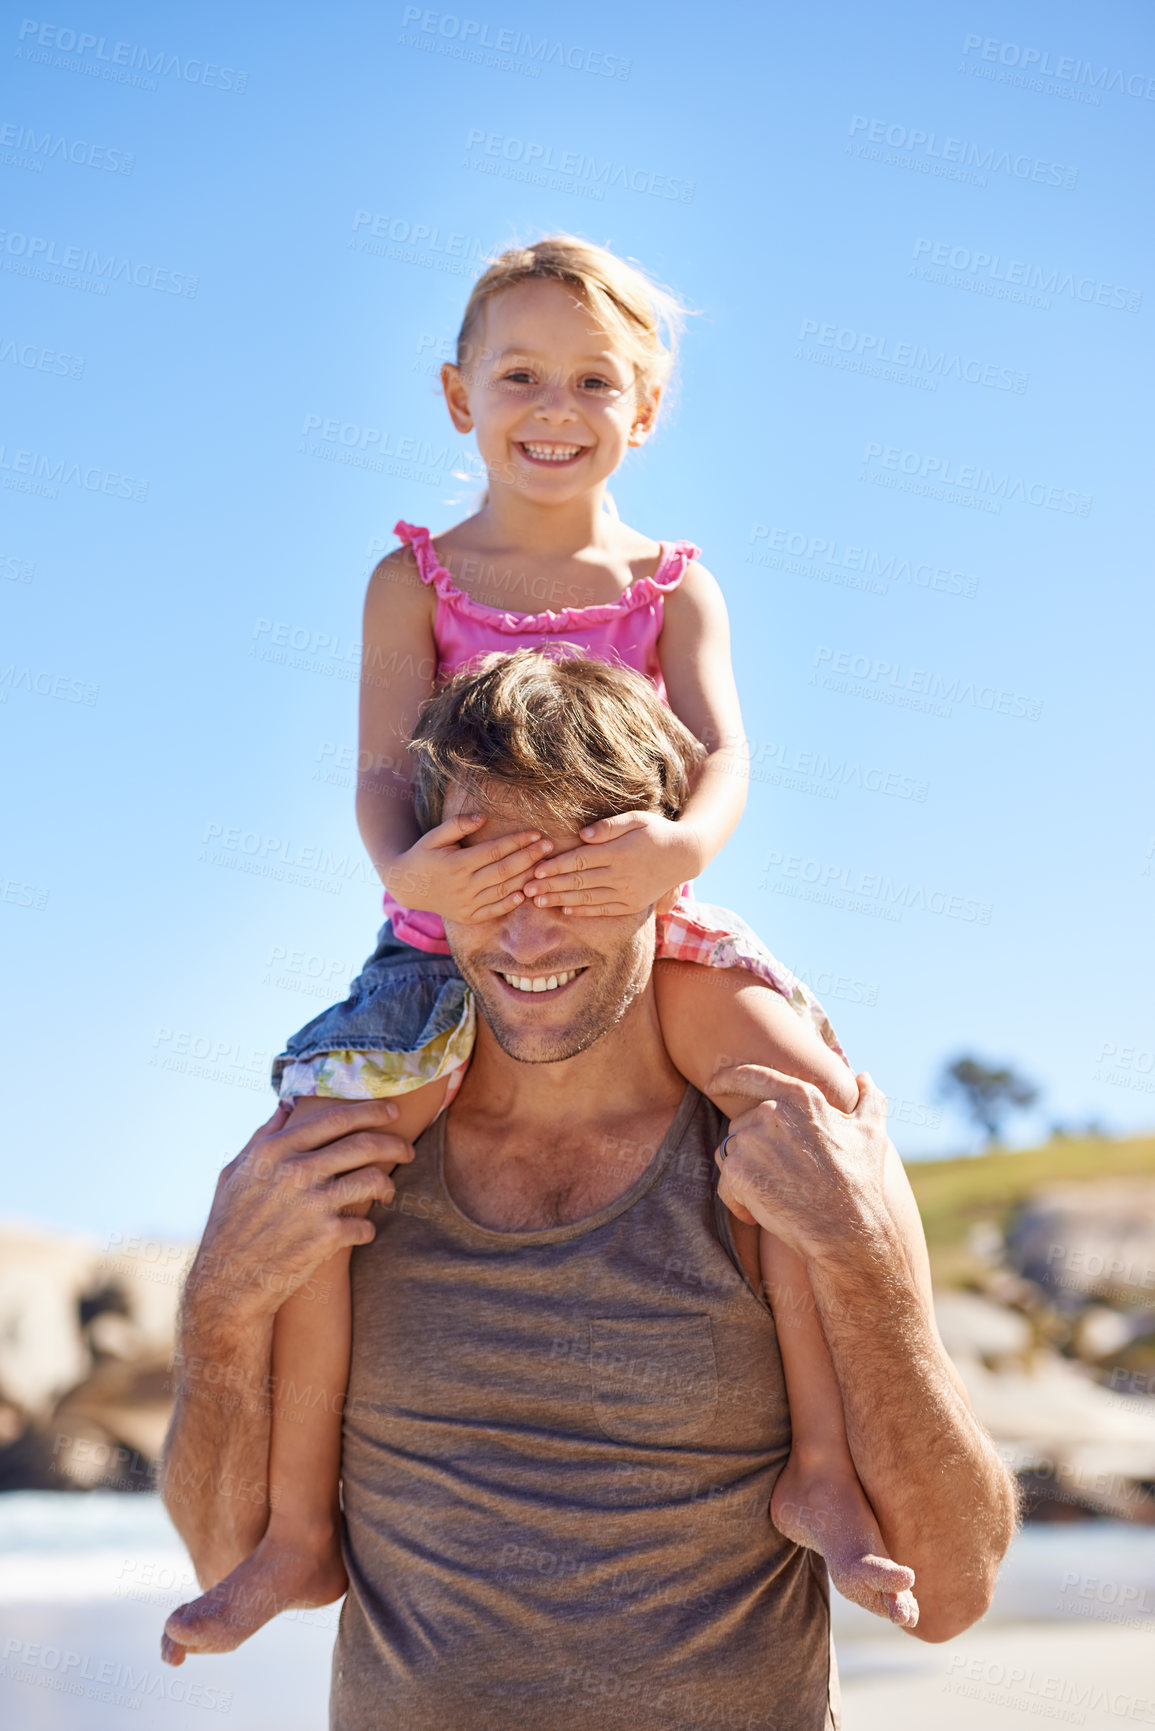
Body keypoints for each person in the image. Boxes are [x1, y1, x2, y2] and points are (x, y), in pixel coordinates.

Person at [161, 231, 996, 1661]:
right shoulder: (411, 576)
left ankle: (821, 1461)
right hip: (452, 918)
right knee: (322, 1142)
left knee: (798, 1106)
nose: (554, 407)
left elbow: (723, 754)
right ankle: (296, 1528)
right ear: (455, 395)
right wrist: (412, 869)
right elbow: (377, 767)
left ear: (645, 409)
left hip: (643, 906)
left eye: (593, 380)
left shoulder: (669, 583)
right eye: (520, 375)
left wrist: (675, 849)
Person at [159, 651, 1017, 1728]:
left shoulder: (791, 1144)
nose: (527, 937)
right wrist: (220, 1306)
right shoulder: (342, 1158)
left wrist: (862, 1262)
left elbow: (948, 1592)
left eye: (576, 879)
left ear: (662, 871)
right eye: (487, 877)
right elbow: (228, 1555)